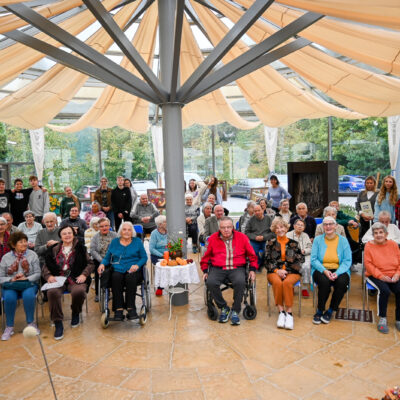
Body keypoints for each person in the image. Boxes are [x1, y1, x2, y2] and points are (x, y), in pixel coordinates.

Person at [201, 216, 257, 326]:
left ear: (232, 227)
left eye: (228, 227)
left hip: (237, 268)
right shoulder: (212, 239)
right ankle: (224, 307)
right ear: (219, 228)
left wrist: (252, 270)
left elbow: (252, 256)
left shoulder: (242, 237)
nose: (226, 230)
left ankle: (235, 310)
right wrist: (205, 271)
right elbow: (205, 258)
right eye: (223, 227)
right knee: (211, 282)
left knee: (240, 282)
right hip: (218, 268)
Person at [43, 225, 94, 340]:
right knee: (52, 292)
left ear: (73, 234)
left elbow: (90, 263)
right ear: (60, 236)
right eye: (64, 233)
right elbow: (45, 266)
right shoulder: (53, 249)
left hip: (75, 278)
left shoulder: (81, 248)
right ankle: (58, 322)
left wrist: (84, 274)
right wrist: (49, 276)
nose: (67, 235)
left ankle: (75, 313)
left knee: (79, 291)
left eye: (69, 233)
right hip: (57, 278)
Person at [98, 221, 147, 321]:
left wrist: (137, 265)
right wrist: (102, 264)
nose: (127, 232)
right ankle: (118, 309)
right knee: (116, 277)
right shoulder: (115, 242)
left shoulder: (137, 241)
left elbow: (144, 257)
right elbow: (107, 257)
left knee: (130, 277)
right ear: (120, 231)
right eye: (124, 229)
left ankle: (131, 308)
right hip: (118, 268)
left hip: (133, 270)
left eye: (129, 230)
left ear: (132, 232)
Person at [311, 216, 352, 324]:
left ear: (336, 226)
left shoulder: (343, 240)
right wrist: (324, 270)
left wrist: (337, 273)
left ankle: (330, 310)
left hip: (339, 269)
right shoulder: (317, 240)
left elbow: (347, 260)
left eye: (330, 224)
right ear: (322, 227)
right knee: (324, 282)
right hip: (321, 268)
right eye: (325, 224)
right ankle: (320, 310)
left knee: (342, 282)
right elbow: (314, 259)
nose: (328, 226)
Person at [0, 231, 41, 340]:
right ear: (13, 245)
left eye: (25, 241)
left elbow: (37, 273)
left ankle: (31, 323)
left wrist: (26, 278)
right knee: (9, 298)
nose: (24, 244)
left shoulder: (32, 255)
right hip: (11, 285)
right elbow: (1, 277)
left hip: (28, 283)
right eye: (21, 242)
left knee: (28, 296)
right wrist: (11, 278)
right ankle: (9, 327)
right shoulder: (6, 257)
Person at [265, 218, 304, 330]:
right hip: (274, 271)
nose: (279, 229)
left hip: (292, 271)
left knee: (287, 283)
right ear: (274, 230)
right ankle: (281, 312)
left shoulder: (294, 244)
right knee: (277, 282)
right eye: (277, 228)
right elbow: (267, 261)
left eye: (282, 227)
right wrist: (278, 271)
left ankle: (289, 313)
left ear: (286, 228)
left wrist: (286, 270)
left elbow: (300, 260)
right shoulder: (270, 243)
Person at [364, 222, 400, 334]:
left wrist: (397, 273)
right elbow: (369, 265)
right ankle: (382, 318)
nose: (378, 235)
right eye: (375, 233)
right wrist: (381, 276)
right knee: (384, 291)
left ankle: (398, 319)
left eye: (381, 232)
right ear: (373, 235)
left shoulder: (393, 245)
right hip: (375, 275)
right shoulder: (369, 246)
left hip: (393, 274)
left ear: (386, 234)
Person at [90, 217, 117, 302]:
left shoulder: (115, 235)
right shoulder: (95, 237)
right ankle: (98, 293)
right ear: (98, 227)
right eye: (101, 226)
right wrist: (102, 261)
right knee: (99, 271)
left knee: (115, 271)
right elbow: (93, 250)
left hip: (113, 259)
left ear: (109, 226)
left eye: (106, 226)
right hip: (100, 259)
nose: (104, 228)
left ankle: (113, 290)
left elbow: (119, 248)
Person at [286, 219, 312, 298]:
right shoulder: (288, 235)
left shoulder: (305, 235)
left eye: (302, 225)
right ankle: (292, 285)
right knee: (291, 265)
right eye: (298, 225)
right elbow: (285, 248)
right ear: (294, 226)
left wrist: (304, 251)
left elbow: (310, 248)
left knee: (306, 266)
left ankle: (304, 287)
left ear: (304, 228)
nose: (300, 227)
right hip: (292, 256)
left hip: (304, 255)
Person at [245, 204, 272, 270]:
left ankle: (261, 264)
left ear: (262, 210)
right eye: (255, 211)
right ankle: (258, 264)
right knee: (253, 252)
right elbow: (247, 232)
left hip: (266, 239)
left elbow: (273, 232)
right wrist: (255, 237)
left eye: (259, 210)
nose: (257, 212)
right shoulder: (251, 220)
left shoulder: (268, 218)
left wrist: (264, 237)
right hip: (254, 240)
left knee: (266, 252)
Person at [149, 215, 168, 296]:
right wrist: (162, 255)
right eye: (165, 222)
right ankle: (160, 288)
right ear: (160, 224)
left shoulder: (169, 231)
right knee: (162, 267)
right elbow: (151, 249)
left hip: (168, 254)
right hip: (157, 255)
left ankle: (176, 283)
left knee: (176, 263)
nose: (167, 223)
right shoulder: (154, 233)